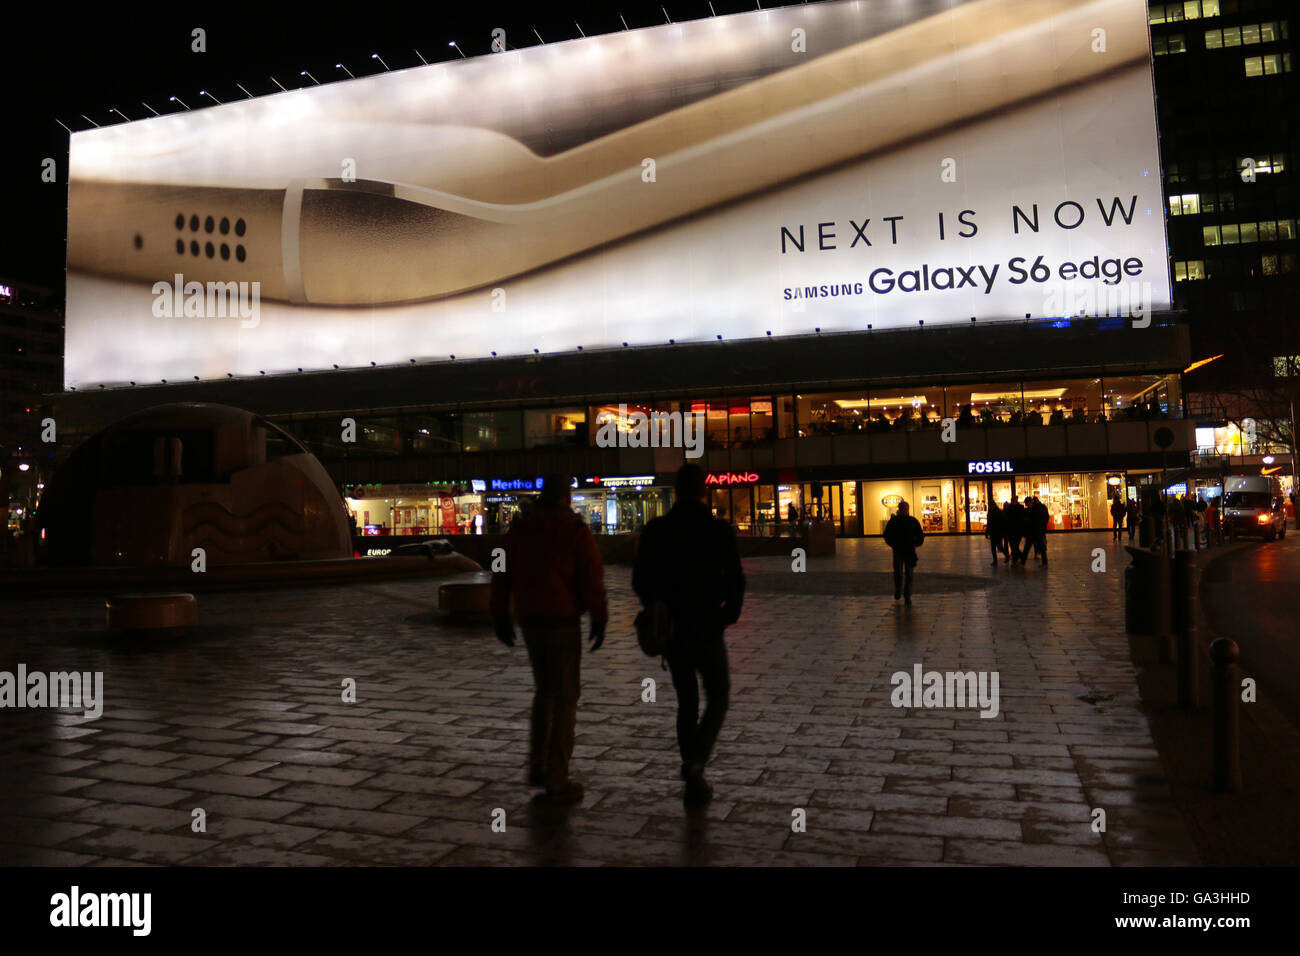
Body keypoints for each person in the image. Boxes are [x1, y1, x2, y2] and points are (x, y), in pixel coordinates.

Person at [491, 475, 607, 806]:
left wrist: (500, 614)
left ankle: (537, 764)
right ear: (566, 497)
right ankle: (558, 777)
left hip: (530, 619)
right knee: (566, 696)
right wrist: (599, 617)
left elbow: (501, 572)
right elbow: (591, 577)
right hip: (562, 620)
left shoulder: (520, 528)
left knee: (544, 691)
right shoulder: (574, 530)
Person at [633, 464, 744, 806]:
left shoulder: (657, 530)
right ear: (704, 491)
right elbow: (735, 577)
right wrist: (728, 613)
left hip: (674, 628)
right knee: (719, 694)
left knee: (687, 701)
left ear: (676, 491)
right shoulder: (717, 529)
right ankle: (696, 761)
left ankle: (691, 763)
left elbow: (640, 580)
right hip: (708, 624)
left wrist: (656, 604)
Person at [884, 500, 925, 604]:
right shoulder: (910, 521)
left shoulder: (899, 521)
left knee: (903, 573)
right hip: (904, 550)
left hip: (904, 551)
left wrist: (893, 544)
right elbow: (887, 535)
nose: (904, 510)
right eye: (903, 509)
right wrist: (915, 543)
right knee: (905, 573)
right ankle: (904, 593)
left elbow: (887, 535)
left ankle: (905, 593)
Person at [1003, 494, 1027, 565]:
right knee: (1014, 546)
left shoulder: (1017, 507)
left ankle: (1017, 558)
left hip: (1015, 529)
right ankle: (1017, 558)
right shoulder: (1016, 507)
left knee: (1014, 546)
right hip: (1013, 529)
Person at [985, 500, 1010, 565]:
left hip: (995, 531)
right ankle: (1004, 555)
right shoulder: (998, 511)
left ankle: (996, 559)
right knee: (998, 546)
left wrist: (987, 531)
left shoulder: (992, 512)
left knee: (995, 546)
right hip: (997, 532)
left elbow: (989, 522)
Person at [1029, 496, 1049, 564]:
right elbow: (1046, 516)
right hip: (1041, 528)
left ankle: (1037, 553)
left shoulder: (1034, 508)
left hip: (1036, 528)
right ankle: (1043, 556)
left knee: (1036, 542)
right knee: (1041, 541)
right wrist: (1044, 524)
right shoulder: (1043, 507)